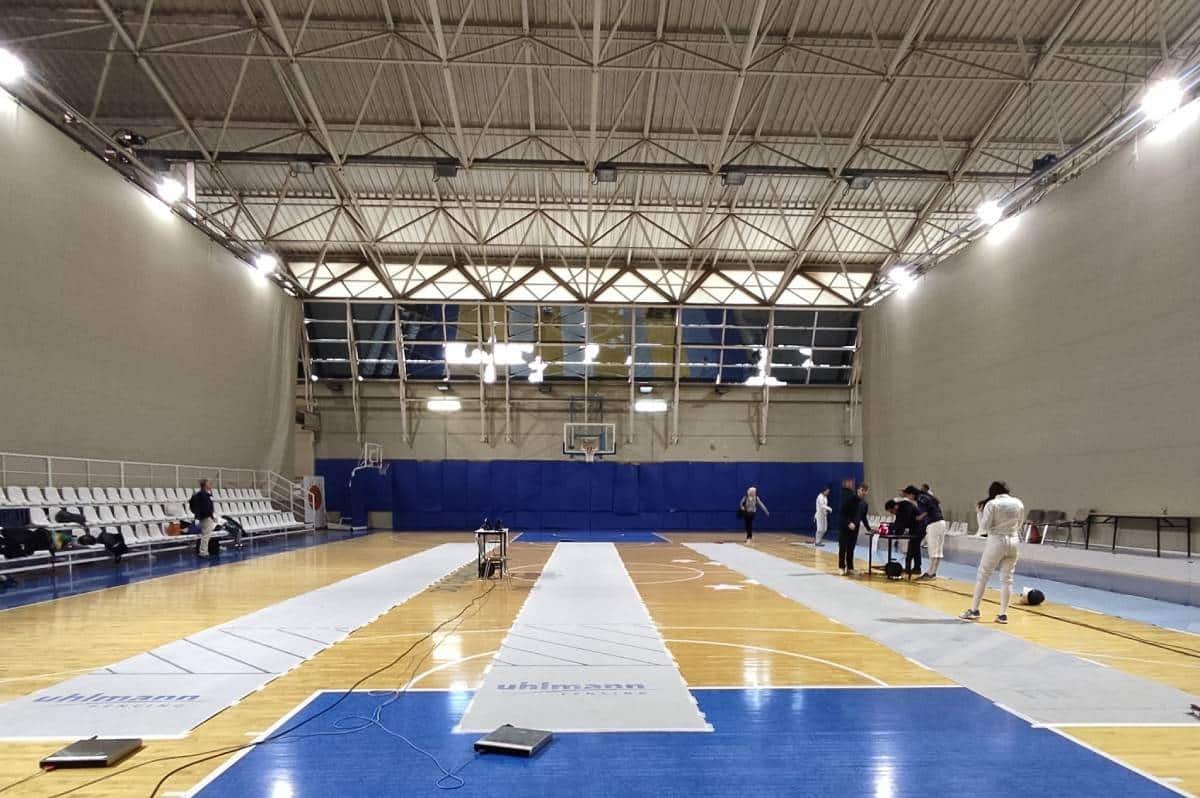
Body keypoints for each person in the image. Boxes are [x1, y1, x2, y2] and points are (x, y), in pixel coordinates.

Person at [961, 482, 1026, 624]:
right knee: (1007, 579)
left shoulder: (992, 504)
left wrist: (979, 513)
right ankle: (1003, 615)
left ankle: (974, 610)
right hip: (1014, 542)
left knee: (983, 575)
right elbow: (1020, 524)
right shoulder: (1018, 502)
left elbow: (984, 528)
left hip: (996, 541)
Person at [904, 485, 946, 580]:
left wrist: (919, 517)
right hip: (941, 523)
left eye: (908, 496)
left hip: (933, 524)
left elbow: (927, 511)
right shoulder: (926, 496)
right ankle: (933, 573)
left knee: (933, 550)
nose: (908, 498)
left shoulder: (921, 498)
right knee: (938, 551)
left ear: (912, 494)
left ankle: (930, 573)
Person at [838, 483, 870, 575]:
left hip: (855, 529)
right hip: (845, 528)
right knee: (843, 548)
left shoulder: (864, 504)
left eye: (865, 492)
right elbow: (842, 514)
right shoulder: (849, 500)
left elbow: (863, 518)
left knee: (851, 549)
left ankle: (850, 568)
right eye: (862, 491)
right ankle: (841, 567)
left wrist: (869, 529)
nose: (864, 493)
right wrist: (849, 523)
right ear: (858, 490)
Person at [885, 496, 922, 574]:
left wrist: (897, 531)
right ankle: (914, 568)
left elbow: (904, 522)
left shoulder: (906, 506)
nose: (892, 513)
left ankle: (913, 568)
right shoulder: (898, 510)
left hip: (920, 526)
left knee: (913, 547)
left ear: (895, 507)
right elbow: (897, 522)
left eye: (891, 511)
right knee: (914, 547)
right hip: (913, 527)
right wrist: (891, 530)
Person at [189, 478, 217, 558]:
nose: (210, 484)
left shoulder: (200, 494)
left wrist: (197, 514)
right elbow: (207, 508)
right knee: (206, 535)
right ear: (205, 485)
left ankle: (203, 551)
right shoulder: (203, 495)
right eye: (208, 483)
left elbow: (192, 505)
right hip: (205, 518)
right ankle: (203, 552)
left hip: (203, 517)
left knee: (205, 535)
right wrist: (207, 515)